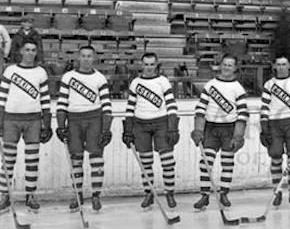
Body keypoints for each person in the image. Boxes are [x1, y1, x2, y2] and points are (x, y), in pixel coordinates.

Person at [56, 46, 112, 212]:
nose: (86, 59)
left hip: (94, 118)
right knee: (76, 159)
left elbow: (106, 104)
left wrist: (106, 128)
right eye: (83, 56)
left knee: (96, 158)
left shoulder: (99, 78)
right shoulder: (68, 77)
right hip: (74, 119)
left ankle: (95, 195)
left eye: (89, 56)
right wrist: (61, 125)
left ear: (93, 58)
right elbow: (62, 102)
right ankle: (77, 194)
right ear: (78, 57)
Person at [122, 52, 179, 209]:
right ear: (142, 65)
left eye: (151, 64)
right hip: (140, 124)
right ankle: (149, 193)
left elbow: (171, 105)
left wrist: (173, 126)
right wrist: (128, 129)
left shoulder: (163, 81)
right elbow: (130, 107)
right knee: (145, 162)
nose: (148, 68)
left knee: (167, 161)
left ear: (156, 65)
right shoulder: (135, 83)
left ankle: (169, 193)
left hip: (161, 122)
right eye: (146, 64)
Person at [191, 55, 249, 210]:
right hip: (210, 128)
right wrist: (198, 129)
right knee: (205, 163)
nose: (226, 67)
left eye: (230, 65)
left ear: (235, 68)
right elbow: (201, 108)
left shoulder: (238, 88)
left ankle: (223, 193)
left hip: (229, 128)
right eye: (224, 64)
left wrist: (238, 135)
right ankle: (204, 195)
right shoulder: (210, 85)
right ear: (220, 66)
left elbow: (243, 114)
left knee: (227, 162)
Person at [0, 40, 52, 212]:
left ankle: (30, 195)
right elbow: (2, 97)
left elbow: (45, 100)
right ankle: (4, 195)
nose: (30, 53)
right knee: (7, 160)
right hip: (11, 119)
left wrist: (47, 124)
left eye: (33, 50)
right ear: (21, 51)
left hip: (33, 120)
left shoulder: (41, 72)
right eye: (27, 49)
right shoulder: (10, 70)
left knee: (32, 160)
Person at [259, 56, 290, 207]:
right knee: (275, 158)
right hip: (274, 124)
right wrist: (264, 128)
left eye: (284, 64)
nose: (281, 67)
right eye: (278, 64)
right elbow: (264, 107)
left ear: (289, 66)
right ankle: (277, 191)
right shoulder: (269, 84)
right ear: (274, 66)